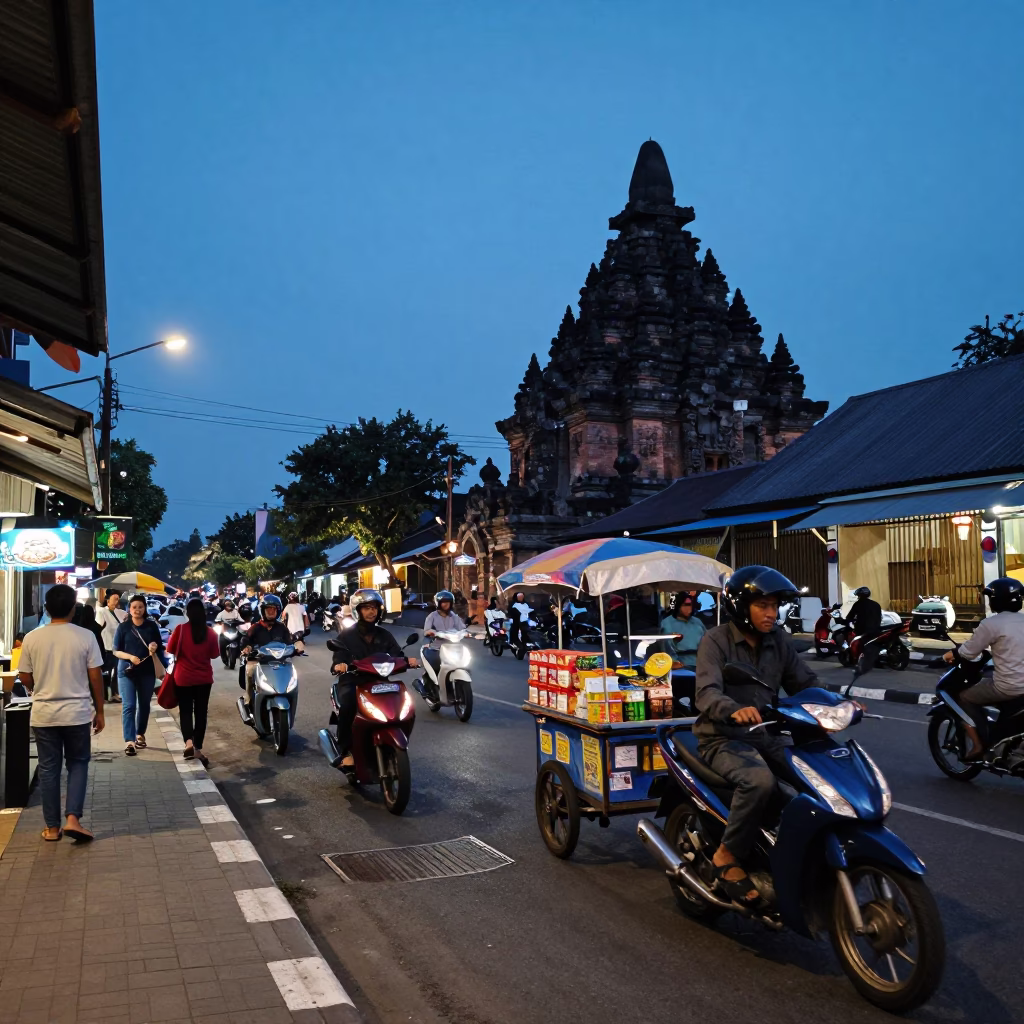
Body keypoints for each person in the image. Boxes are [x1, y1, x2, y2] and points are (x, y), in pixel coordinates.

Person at [694, 565, 821, 907]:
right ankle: (727, 855)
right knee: (760, 782)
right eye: (763, 605)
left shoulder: (777, 640)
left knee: (817, 781)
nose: (771, 613)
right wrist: (732, 708)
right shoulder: (715, 640)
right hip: (722, 737)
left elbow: (804, 682)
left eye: (775, 605)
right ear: (741, 606)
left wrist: (837, 703)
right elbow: (705, 693)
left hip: (767, 734)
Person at [16, 583, 104, 842]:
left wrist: (38, 689)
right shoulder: (85, 636)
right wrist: (100, 710)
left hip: (44, 714)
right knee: (77, 764)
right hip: (76, 713)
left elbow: (24, 676)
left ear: (46, 608)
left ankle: (52, 829)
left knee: (48, 769)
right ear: (73, 609)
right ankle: (73, 819)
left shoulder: (33, 637)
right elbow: (95, 676)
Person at [330, 589, 418, 767]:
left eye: (375, 608)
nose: (371, 612)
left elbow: (396, 654)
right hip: (353, 681)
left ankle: (394, 738)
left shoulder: (384, 635)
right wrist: (340, 665)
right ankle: (346, 751)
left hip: (379, 682)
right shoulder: (347, 636)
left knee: (405, 703)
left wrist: (407, 661)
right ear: (358, 610)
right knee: (348, 704)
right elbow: (338, 657)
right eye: (367, 608)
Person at [942, 577, 1024, 760]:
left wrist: (949, 655)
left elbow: (969, 652)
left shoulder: (991, 624)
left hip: (1009, 687)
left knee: (964, 697)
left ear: (995, 600)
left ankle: (979, 746)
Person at [167, 598, 220, 768]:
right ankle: (197, 747)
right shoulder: (210, 633)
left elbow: (170, 650)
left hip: (183, 679)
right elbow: (214, 655)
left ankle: (188, 743)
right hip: (204, 679)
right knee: (201, 713)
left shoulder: (180, 630)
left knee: (186, 712)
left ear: (187, 613)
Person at [112, 594, 165, 757]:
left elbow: (160, 645)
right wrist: (129, 657)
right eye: (134, 607)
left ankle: (140, 733)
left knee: (144, 705)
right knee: (129, 706)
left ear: (145, 608)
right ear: (129, 608)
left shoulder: (151, 626)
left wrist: (154, 647)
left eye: (140, 607)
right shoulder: (123, 627)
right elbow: (116, 650)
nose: (137, 610)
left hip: (147, 671)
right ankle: (129, 741)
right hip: (126, 671)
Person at [240, 594, 292, 708]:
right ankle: (248, 699)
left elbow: (290, 642)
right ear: (262, 610)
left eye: (274, 609)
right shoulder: (255, 627)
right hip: (259, 662)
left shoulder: (282, 628)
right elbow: (245, 640)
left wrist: (296, 647)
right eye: (268, 609)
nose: (271, 611)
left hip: (279, 662)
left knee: (292, 675)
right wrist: (247, 648)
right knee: (249, 670)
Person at [423, 590, 466, 676]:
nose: (446, 604)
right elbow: (426, 630)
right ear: (438, 603)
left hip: (453, 647)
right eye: (443, 602)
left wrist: (466, 633)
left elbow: (462, 628)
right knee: (434, 665)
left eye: (448, 602)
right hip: (436, 647)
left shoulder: (454, 616)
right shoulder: (432, 616)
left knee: (464, 664)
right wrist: (431, 632)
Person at [95, 589, 127, 703]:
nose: (116, 601)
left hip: (118, 646)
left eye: (118, 599)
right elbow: (99, 627)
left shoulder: (121, 612)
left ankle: (114, 693)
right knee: (106, 671)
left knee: (117, 670)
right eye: (114, 599)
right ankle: (104, 694)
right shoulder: (102, 612)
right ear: (108, 600)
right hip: (107, 646)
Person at [845, 586, 883, 676]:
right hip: (877, 629)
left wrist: (848, 620)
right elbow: (879, 617)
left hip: (862, 630)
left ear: (860, 595)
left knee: (859, 644)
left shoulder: (858, 604)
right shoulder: (876, 604)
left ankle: (860, 662)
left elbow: (850, 616)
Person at [662, 593, 706, 670]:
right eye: (686, 605)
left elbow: (707, 639)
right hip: (680, 664)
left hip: (700, 662)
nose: (689, 608)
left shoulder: (697, 622)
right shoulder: (667, 623)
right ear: (678, 606)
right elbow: (665, 647)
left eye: (690, 605)